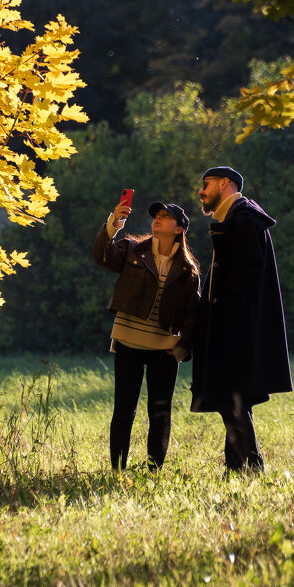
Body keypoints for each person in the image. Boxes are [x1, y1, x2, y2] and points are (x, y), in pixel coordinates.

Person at [191, 165, 292, 473]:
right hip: (234, 327)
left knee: (229, 397)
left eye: (206, 184)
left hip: (236, 330)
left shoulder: (244, 218)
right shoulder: (234, 217)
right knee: (233, 398)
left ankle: (251, 467)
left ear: (225, 183)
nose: (201, 191)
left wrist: (223, 319)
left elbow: (245, 278)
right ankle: (238, 469)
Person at [91, 197, 201, 471]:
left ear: (179, 229)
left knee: (160, 413)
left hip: (164, 351)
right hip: (128, 343)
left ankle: (154, 471)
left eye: (166, 216)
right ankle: (117, 470)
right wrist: (112, 225)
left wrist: (180, 349)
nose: (158, 218)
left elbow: (192, 315)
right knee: (123, 411)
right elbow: (101, 256)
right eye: (157, 215)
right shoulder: (131, 250)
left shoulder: (188, 271)